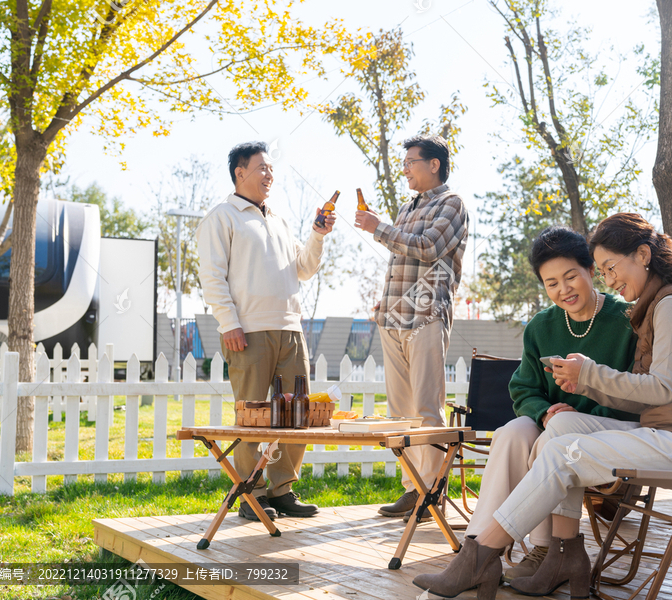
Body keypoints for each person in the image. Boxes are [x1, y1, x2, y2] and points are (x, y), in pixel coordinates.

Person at [413, 212, 672, 600]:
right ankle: (564, 553)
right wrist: (575, 393)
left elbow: (663, 389)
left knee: (564, 454)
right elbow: (640, 391)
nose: (610, 279)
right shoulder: (656, 303)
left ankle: (480, 555)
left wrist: (588, 375)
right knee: (560, 432)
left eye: (609, 268)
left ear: (642, 254)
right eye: (604, 271)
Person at [465, 226, 640, 582]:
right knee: (512, 432)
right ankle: (479, 549)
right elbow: (524, 390)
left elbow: (638, 394)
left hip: (610, 434)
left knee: (554, 439)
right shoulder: (540, 327)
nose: (563, 290)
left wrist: (581, 415)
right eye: (551, 283)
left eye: (571, 276)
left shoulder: (628, 320)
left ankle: (546, 549)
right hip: (554, 424)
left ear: (591, 270)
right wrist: (544, 411)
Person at [197, 141, 335, 521]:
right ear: (240, 173)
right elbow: (211, 277)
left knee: (296, 415)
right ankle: (251, 495)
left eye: (271, 168)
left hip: (290, 329)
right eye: (262, 168)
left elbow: (303, 270)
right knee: (254, 415)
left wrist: (317, 235)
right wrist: (229, 324)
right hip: (248, 331)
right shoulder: (222, 217)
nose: (269, 175)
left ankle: (282, 490)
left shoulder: (278, 219)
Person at [354, 134, 468, 521]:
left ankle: (431, 493)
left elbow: (427, 248)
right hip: (393, 319)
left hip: (426, 318)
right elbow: (401, 263)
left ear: (433, 164)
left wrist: (377, 228)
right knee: (401, 413)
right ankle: (412, 489)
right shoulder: (407, 206)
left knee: (426, 410)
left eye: (410, 162)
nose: (405, 169)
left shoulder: (452, 204)